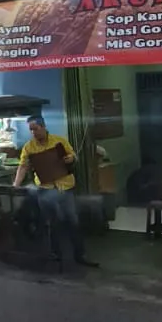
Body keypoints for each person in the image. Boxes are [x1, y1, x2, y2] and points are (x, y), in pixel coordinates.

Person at [13, 115, 95, 268]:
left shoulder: (59, 141)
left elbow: (73, 156)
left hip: (65, 187)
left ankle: (80, 255)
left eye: (35, 129)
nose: (33, 133)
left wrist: (70, 159)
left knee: (73, 221)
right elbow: (23, 166)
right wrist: (16, 184)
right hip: (46, 189)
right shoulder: (29, 147)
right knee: (52, 222)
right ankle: (56, 254)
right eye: (31, 130)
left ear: (43, 126)